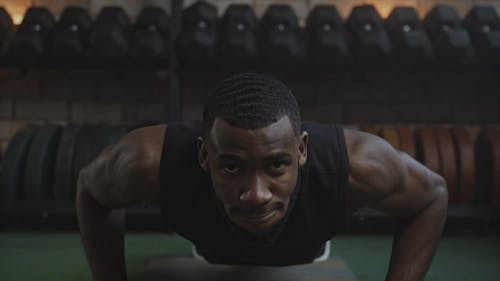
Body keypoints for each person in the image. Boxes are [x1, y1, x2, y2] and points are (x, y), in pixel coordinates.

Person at [77, 73, 448, 281]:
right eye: (232, 167)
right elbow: (91, 192)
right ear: (204, 155)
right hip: (211, 245)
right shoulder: (147, 161)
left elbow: (432, 195)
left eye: (275, 166)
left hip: (304, 249)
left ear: (301, 151)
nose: (256, 195)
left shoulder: (358, 165)